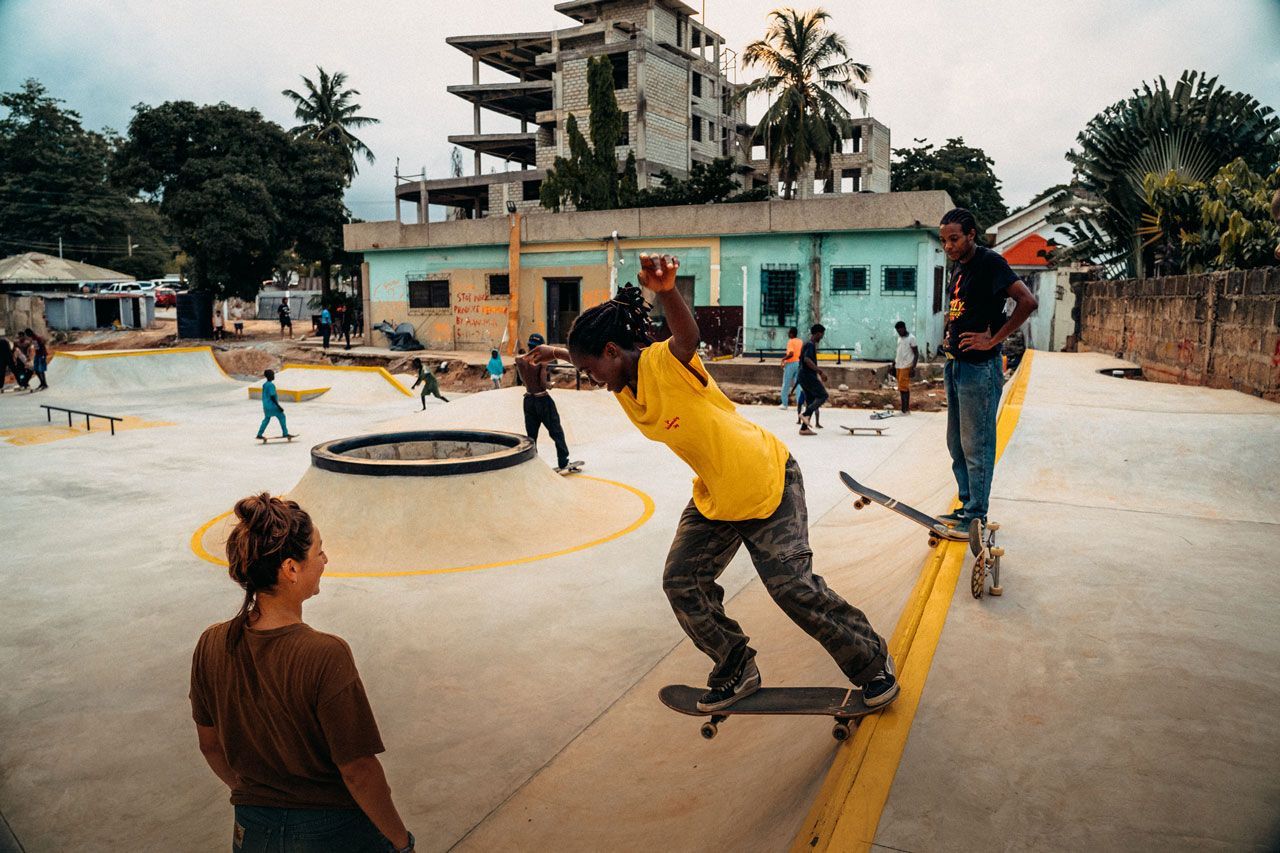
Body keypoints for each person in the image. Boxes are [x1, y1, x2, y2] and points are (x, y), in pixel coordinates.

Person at [524, 254, 898, 713]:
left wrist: (665, 293)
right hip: (716, 496)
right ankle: (736, 665)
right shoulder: (621, 380)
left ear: (611, 353)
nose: (590, 380)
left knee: (792, 589)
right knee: (681, 580)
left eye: (589, 370)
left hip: (766, 481)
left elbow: (688, 337)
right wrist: (556, 354)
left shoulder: (666, 363)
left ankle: (872, 663)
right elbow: (596, 360)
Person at [190, 493, 415, 853]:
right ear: (291, 569)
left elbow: (210, 744)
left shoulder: (211, 643)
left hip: (252, 830)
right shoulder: (325, 654)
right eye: (319, 552)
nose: (325, 560)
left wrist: (255, 796)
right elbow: (357, 770)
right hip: (331, 832)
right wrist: (400, 841)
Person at [937, 208, 1038, 536]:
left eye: (954, 239)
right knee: (956, 444)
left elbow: (1027, 301)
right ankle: (966, 506)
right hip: (956, 365)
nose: (948, 246)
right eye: (944, 241)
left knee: (976, 445)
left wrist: (993, 338)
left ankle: (975, 516)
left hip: (980, 369)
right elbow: (962, 308)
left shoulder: (990, 262)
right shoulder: (960, 266)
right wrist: (950, 332)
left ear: (971, 235)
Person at [515, 333, 573, 473]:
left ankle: (531, 462)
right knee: (556, 431)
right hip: (542, 400)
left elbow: (523, 380)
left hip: (528, 399)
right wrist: (550, 384)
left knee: (531, 435)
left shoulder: (520, 360)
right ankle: (563, 460)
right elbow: (543, 383)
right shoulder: (541, 362)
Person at [797, 324, 828, 436]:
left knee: (810, 400)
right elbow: (806, 360)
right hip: (807, 375)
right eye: (822, 334)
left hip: (802, 376)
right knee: (823, 395)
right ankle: (805, 414)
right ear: (818, 333)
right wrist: (820, 372)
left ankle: (804, 428)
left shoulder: (806, 344)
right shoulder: (810, 345)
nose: (822, 337)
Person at [255, 369, 291, 440]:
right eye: (272, 375)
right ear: (270, 376)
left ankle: (259, 434)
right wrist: (279, 406)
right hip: (272, 406)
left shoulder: (265, 384)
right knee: (282, 416)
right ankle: (285, 433)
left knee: (266, 419)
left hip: (266, 406)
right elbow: (272, 396)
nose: (274, 376)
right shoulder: (271, 385)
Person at [893, 321, 919, 415]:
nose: (899, 332)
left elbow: (916, 353)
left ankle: (906, 409)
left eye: (900, 330)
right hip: (899, 365)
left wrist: (913, 367)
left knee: (904, 388)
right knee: (901, 388)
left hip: (906, 365)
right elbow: (898, 352)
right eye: (897, 331)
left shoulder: (911, 338)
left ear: (904, 328)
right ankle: (903, 409)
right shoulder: (899, 338)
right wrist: (894, 363)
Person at [779, 326, 802, 410]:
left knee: (786, 383)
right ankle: (800, 405)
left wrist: (783, 359)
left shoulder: (790, 342)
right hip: (799, 363)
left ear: (792, 333)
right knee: (798, 384)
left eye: (789, 332)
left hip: (791, 363)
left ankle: (784, 404)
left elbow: (791, 354)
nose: (788, 334)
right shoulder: (800, 341)